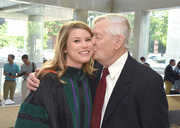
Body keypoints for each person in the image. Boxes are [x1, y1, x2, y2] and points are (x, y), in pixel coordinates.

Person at [27, 14, 169, 128]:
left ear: (118, 41)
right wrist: (37, 76)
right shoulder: (89, 72)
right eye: (91, 36)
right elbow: (62, 73)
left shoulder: (148, 81)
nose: (91, 42)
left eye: (97, 37)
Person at [14, 21, 94, 128]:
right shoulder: (48, 80)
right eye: (76, 41)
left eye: (88, 40)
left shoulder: (91, 78)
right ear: (64, 47)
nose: (84, 45)